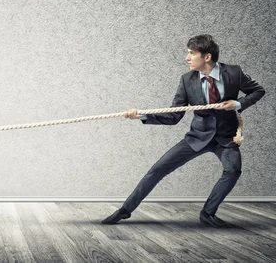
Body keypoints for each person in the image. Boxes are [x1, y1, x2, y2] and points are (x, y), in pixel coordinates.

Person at [102, 34, 265, 227]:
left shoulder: (234, 73)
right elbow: (173, 115)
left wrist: (237, 103)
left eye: (191, 53)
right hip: (197, 137)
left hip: (225, 138)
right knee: (157, 170)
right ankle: (124, 210)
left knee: (233, 170)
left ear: (207, 57)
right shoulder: (187, 80)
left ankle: (207, 213)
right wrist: (142, 115)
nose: (187, 58)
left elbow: (258, 91)